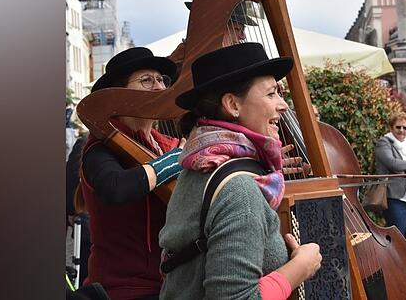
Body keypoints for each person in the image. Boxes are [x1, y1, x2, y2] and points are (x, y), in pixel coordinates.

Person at [159, 43, 322, 300]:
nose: (283, 105)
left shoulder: (201, 164)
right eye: (271, 94)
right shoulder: (240, 191)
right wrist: (301, 267)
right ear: (233, 105)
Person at [77, 47, 186, 300]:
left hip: (169, 285)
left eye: (161, 80)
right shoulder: (100, 148)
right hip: (124, 290)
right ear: (118, 95)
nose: (159, 88)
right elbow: (115, 188)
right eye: (146, 80)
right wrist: (174, 161)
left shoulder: (166, 144)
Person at [374, 113, 406, 251]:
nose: (401, 130)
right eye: (398, 127)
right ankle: (394, 266)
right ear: (391, 127)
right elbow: (393, 164)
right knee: (397, 241)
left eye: (405, 128)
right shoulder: (384, 143)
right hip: (396, 198)